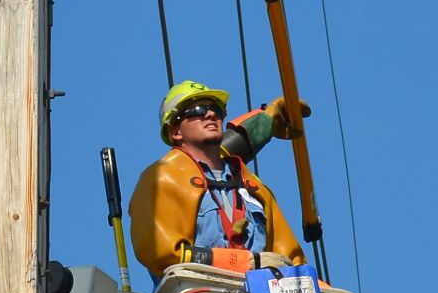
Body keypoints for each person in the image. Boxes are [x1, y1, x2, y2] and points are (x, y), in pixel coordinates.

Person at [128, 80, 306, 278]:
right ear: (175, 131)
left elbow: (292, 261)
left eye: (216, 109)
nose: (210, 114)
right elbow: (164, 253)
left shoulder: (252, 187)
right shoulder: (162, 178)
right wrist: (245, 263)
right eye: (196, 110)